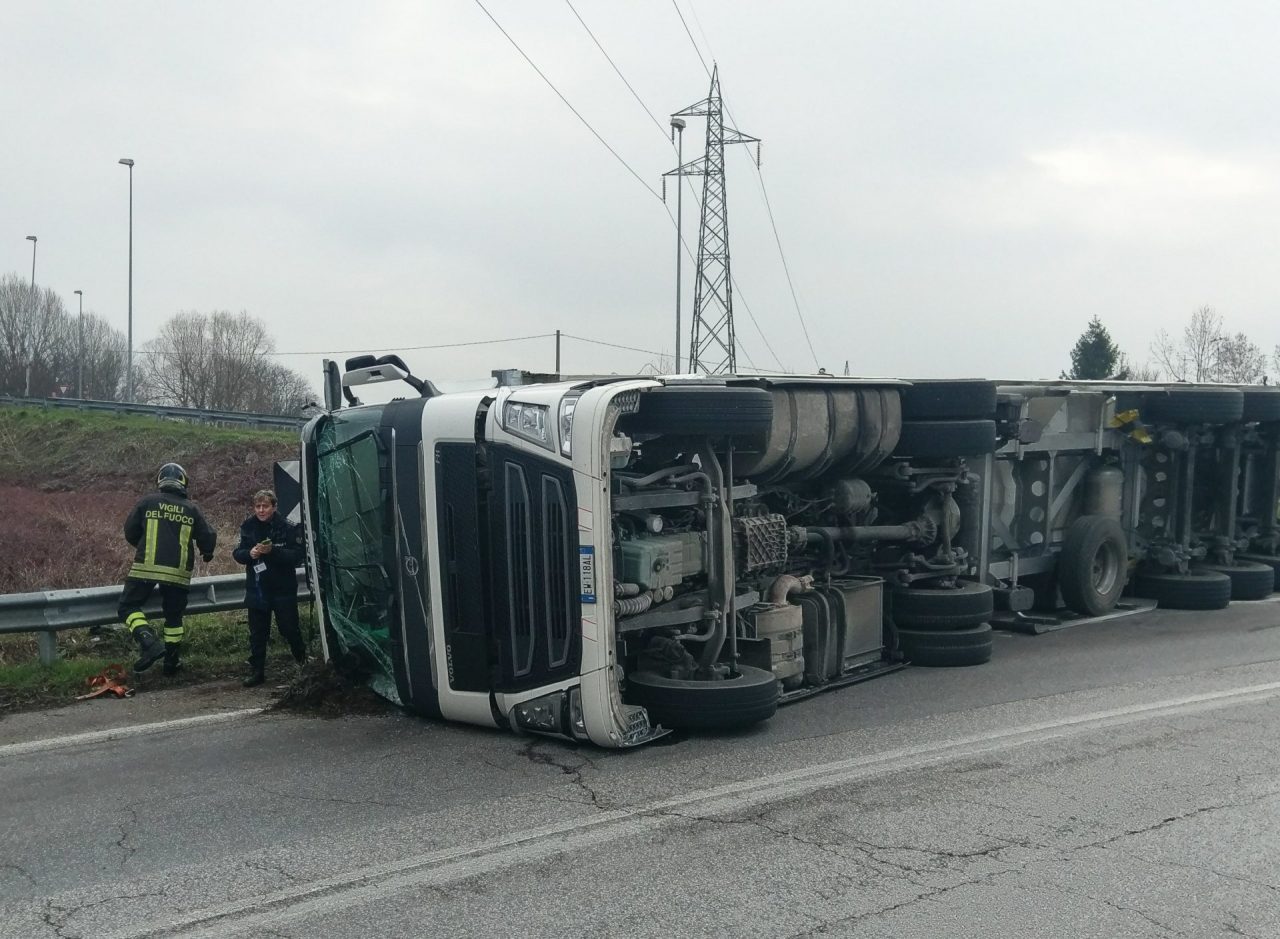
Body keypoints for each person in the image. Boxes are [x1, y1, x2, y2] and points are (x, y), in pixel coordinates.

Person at [119, 462, 217, 675]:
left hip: (146, 569)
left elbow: (129, 531)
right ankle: (171, 664)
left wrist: (143, 546)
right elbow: (208, 536)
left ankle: (149, 643)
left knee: (127, 607)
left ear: (160, 481)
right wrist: (207, 553)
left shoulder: (147, 502)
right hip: (178, 573)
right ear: (183, 482)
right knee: (174, 618)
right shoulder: (192, 508)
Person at [233, 488, 307, 686]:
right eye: (257, 506)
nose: (261, 510)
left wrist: (272, 551)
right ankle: (257, 672)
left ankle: (304, 663)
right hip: (257, 589)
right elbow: (238, 553)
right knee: (257, 634)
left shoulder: (287, 527)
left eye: (265, 506)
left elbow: (297, 556)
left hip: (283, 589)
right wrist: (250, 554)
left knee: (290, 629)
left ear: (274, 507)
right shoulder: (248, 526)